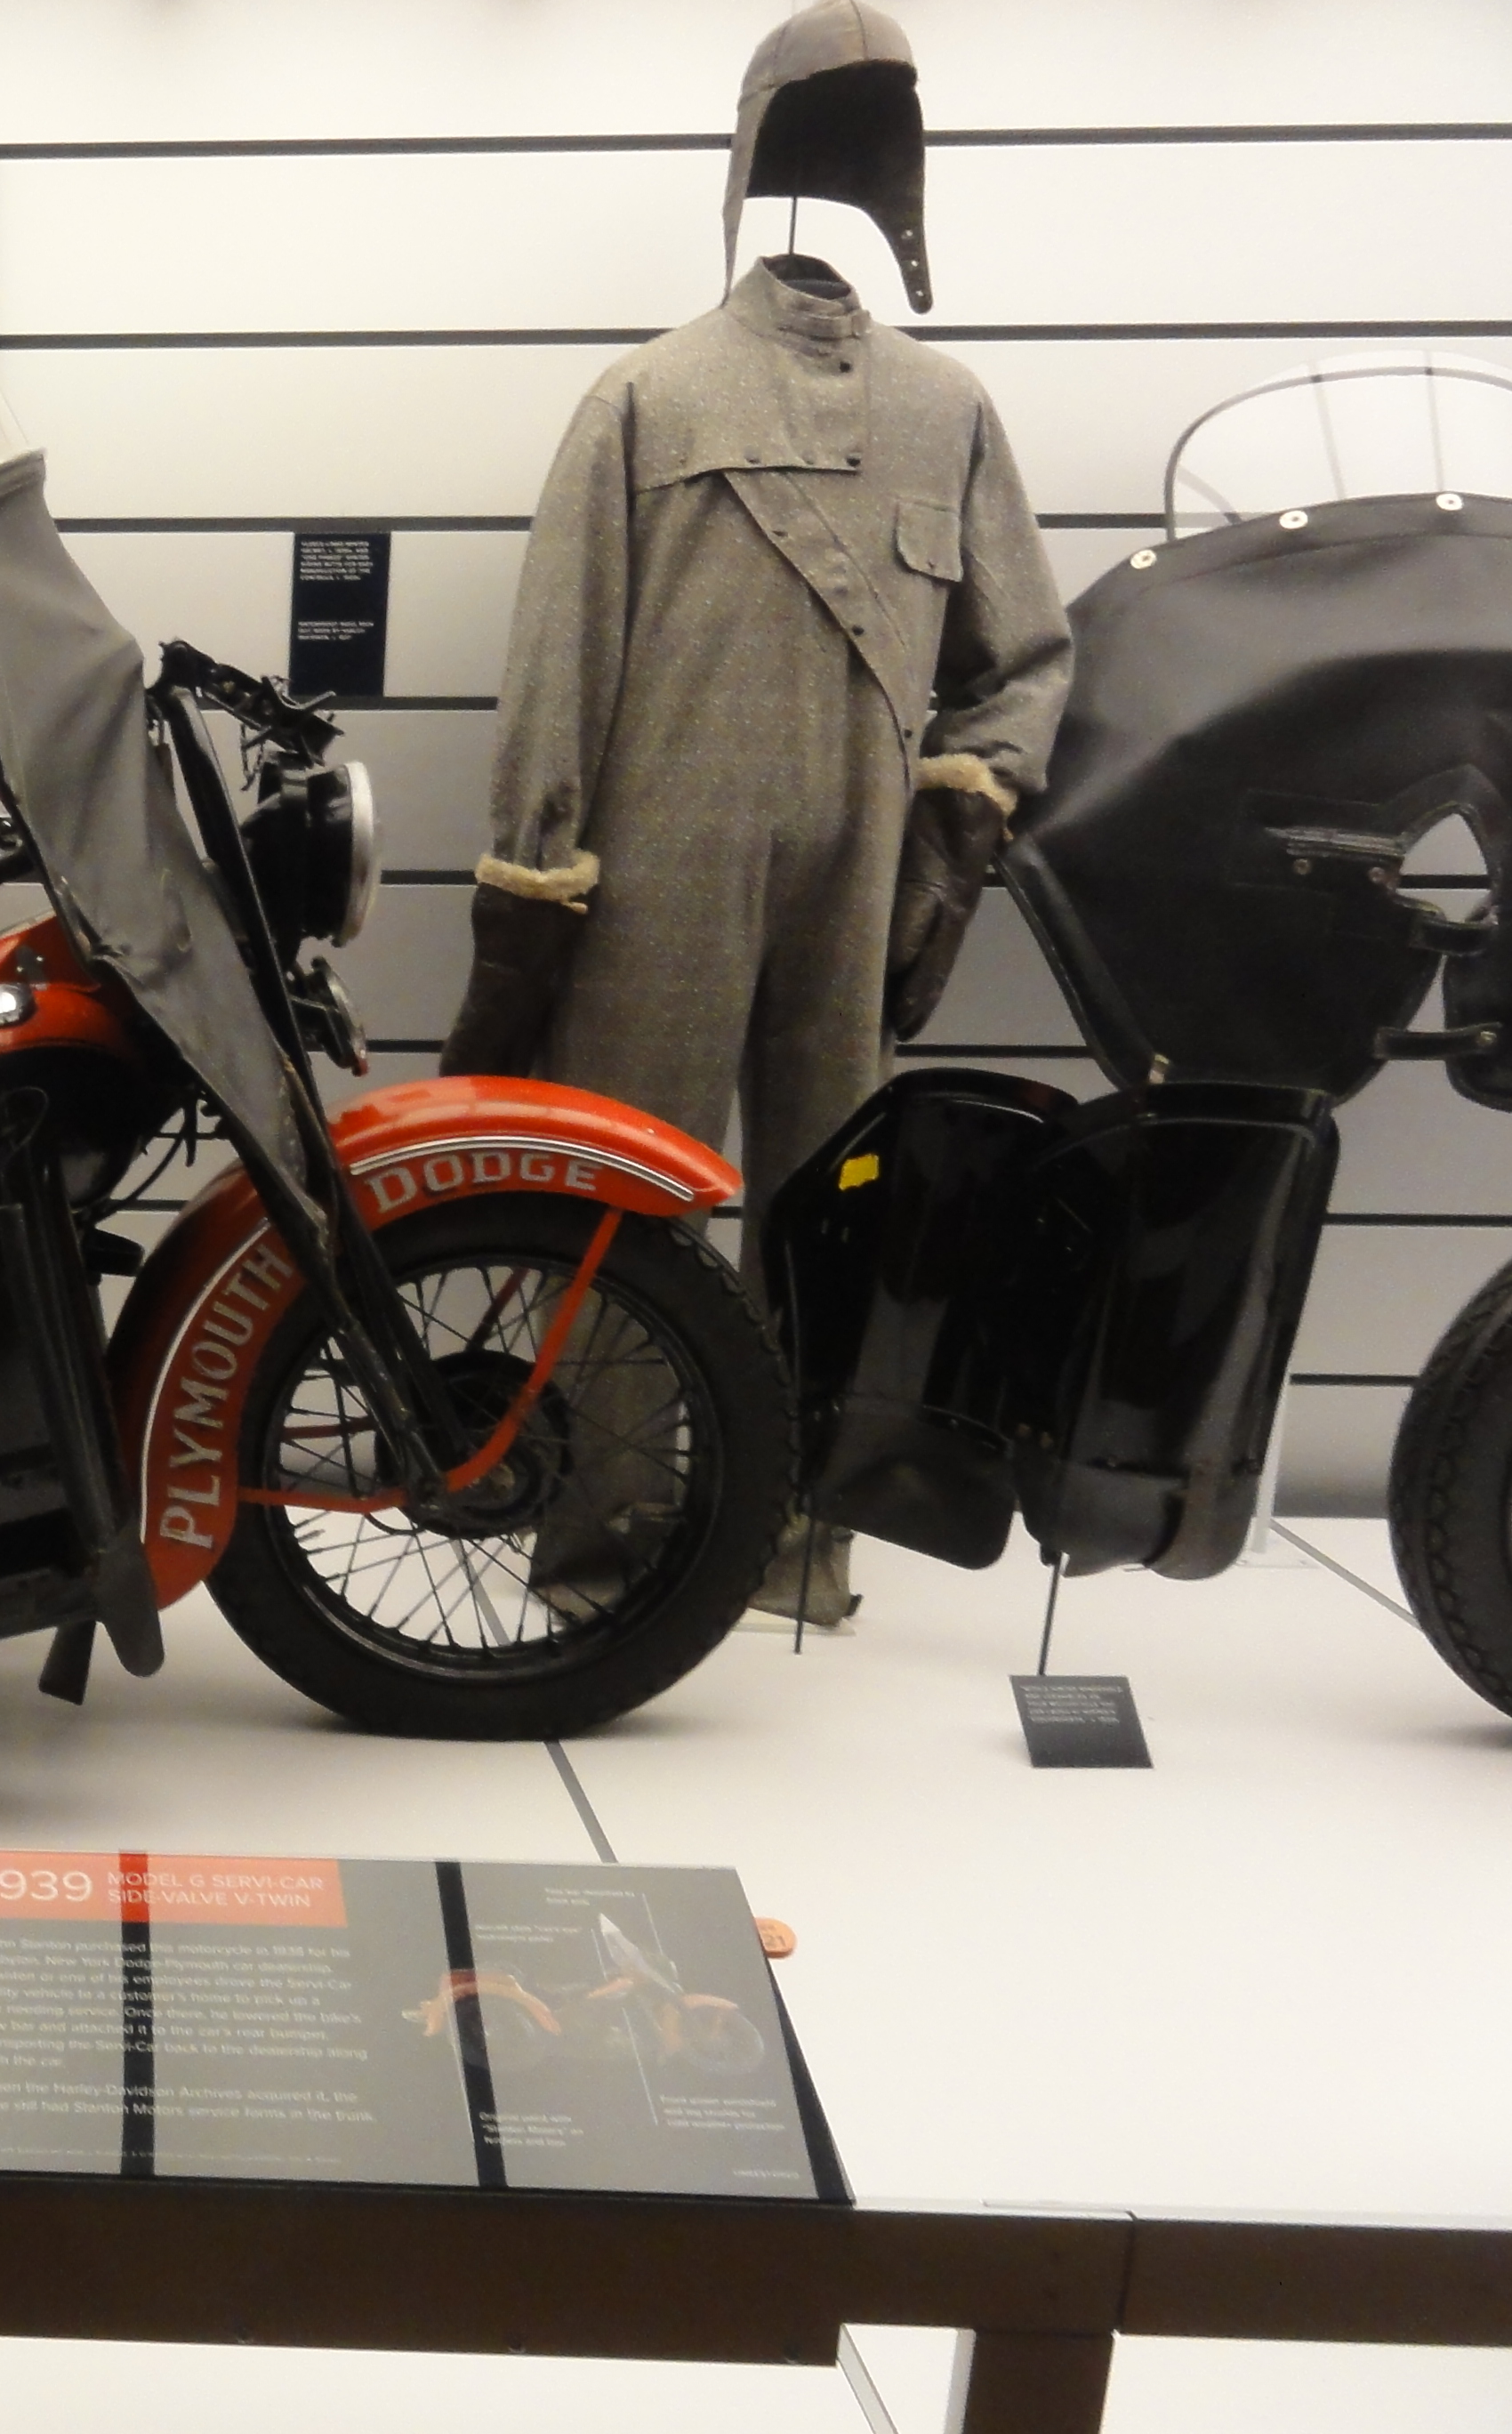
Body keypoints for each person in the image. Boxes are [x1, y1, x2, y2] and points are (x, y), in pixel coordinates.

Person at [438, 0, 1074, 1625]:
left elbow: (1021, 663)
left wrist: (946, 840)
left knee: (825, 1215)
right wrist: (543, 876)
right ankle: (607, 1549)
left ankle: (793, 1545)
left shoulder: (946, 411)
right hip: (659, 864)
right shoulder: (644, 401)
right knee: (619, 1216)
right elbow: (559, 661)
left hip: (854, 871)